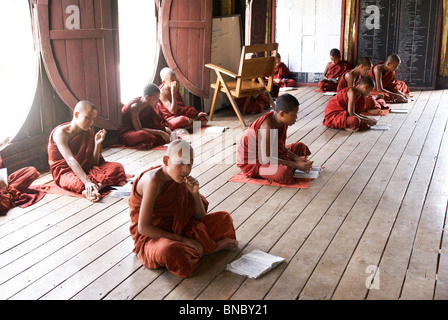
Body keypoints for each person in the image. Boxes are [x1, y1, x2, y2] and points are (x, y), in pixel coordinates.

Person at [128, 139, 238, 278]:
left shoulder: (178, 178)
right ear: (166, 160)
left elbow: (200, 216)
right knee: (170, 251)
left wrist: (194, 193)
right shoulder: (153, 181)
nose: (186, 169)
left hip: (178, 228)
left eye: (190, 163)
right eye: (180, 162)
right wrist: (182, 239)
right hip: (152, 238)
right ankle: (210, 248)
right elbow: (144, 228)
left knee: (224, 219)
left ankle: (196, 250)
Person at [48, 101, 127, 202]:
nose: (90, 122)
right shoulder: (61, 133)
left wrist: (97, 143)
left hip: (86, 168)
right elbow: (70, 159)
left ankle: (94, 189)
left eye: (93, 119)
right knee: (75, 182)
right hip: (65, 171)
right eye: (88, 118)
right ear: (76, 114)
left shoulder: (87, 132)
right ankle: (89, 188)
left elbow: (94, 162)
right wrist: (86, 181)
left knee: (117, 168)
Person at [237, 93, 313, 185]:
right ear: (282, 113)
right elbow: (266, 159)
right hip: (254, 164)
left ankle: (293, 166)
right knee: (284, 173)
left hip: (270, 154)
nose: (296, 118)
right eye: (294, 115)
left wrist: (297, 159)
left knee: (301, 147)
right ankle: (292, 168)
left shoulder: (281, 121)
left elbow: (281, 147)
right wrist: (295, 164)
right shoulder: (267, 127)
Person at [117, 84, 172, 149]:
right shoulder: (134, 107)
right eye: (155, 99)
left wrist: (163, 130)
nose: (157, 102)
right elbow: (138, 129)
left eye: (158, 99)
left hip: (144, 128)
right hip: (129, 132)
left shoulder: (149, 105)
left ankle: (148, 142)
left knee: (167, 131)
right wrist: (160, 132)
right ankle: (150, 141)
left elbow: (152, 123)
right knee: (143, 135)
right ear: (146, 97)